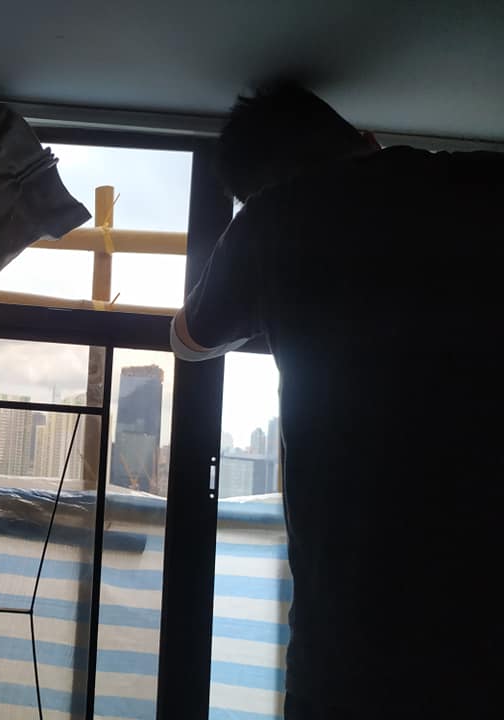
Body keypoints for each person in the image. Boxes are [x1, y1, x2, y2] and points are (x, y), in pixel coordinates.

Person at [170, 85, 504, 719]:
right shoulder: (486, 180)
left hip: (350, 644)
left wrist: (271, 290)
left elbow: (188, 341)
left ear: (258, 192)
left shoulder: (272, 222)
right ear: (368, 140)